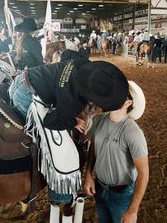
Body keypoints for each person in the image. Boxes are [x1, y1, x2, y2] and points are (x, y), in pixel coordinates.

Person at [8, 59, 129, 221]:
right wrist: (74, 121)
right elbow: (51, 122)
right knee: (63, 149)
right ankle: (62, 196)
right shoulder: (74, 100)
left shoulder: (83, 65)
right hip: (27, 96)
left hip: (23, 80)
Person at [84, 81, 149, 223]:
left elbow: (143, 174)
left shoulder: (133, 133)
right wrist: (88, 175)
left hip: (122, 194)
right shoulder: (99, 120)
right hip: (99, 188)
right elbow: (93, 150)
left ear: (128, 103)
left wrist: (133, 210)